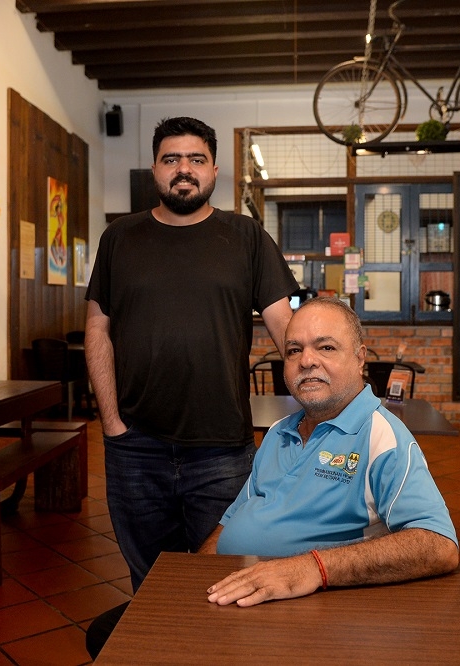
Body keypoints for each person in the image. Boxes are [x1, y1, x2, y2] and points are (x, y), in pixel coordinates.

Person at [84, 116, 297, 595]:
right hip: (135, 446)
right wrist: (112, 422)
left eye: (196, 159)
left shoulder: (246, 238)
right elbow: (98, 328)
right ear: (155, 170)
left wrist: (327, 397)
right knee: (148, 580)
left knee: (222, 580)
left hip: (221, 448)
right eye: (171, 159)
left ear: (214, 170)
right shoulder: (119, 238)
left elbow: (287, 328)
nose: (184, 169)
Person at [199, 297, 458, 607]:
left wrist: (314, 567)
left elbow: (438, 545)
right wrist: (198, 574)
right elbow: (231, 520)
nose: (307, 360)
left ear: (360, 358)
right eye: (294, 350)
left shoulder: (380, 436)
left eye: (326, 347)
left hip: (306, 611)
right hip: (235, 592)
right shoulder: (277, 432)